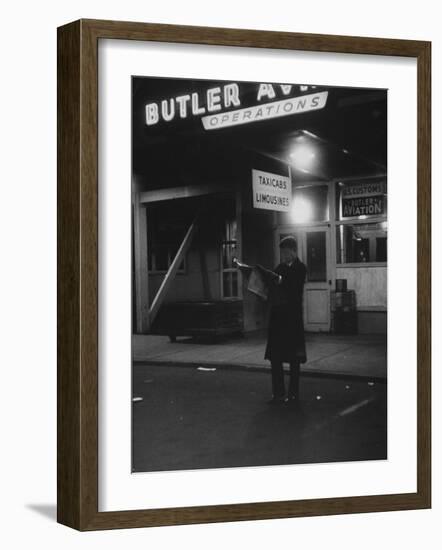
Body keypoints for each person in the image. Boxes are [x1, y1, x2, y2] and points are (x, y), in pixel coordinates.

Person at [256, 236, 307, 406]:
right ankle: (278, 394)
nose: (284, 255)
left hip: (292, 320)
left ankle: (293, 395)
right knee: (276, 359)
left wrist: (278, 280)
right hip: (278, 319)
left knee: (294, 360)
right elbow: (271, 288)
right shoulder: (279, 268)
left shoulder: (301, 268)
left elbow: (294, 287)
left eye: (286, 252)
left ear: (294, 251)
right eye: (282, 252)